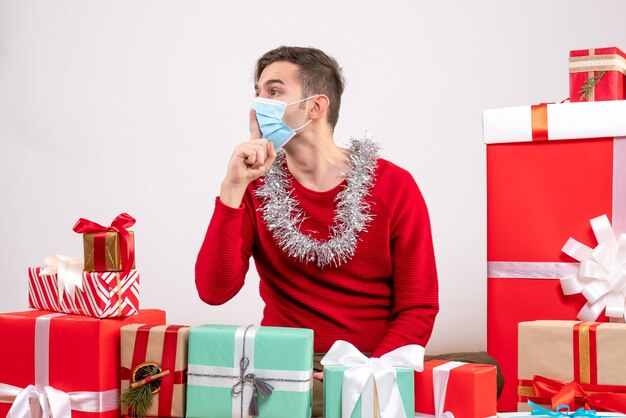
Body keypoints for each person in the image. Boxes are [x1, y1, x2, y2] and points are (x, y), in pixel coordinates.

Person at [196, 46, 496, 417]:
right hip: (289, 367)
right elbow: (214, 291)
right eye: (257, 93)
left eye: (273, 92)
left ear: (315, 106)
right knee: (262, 396)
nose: (259, 104)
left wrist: (366, 375)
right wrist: (232, 187)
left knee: (485, 374)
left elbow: (418, 307)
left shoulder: (393, 185)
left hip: (374, 360)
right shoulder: (253, 188)